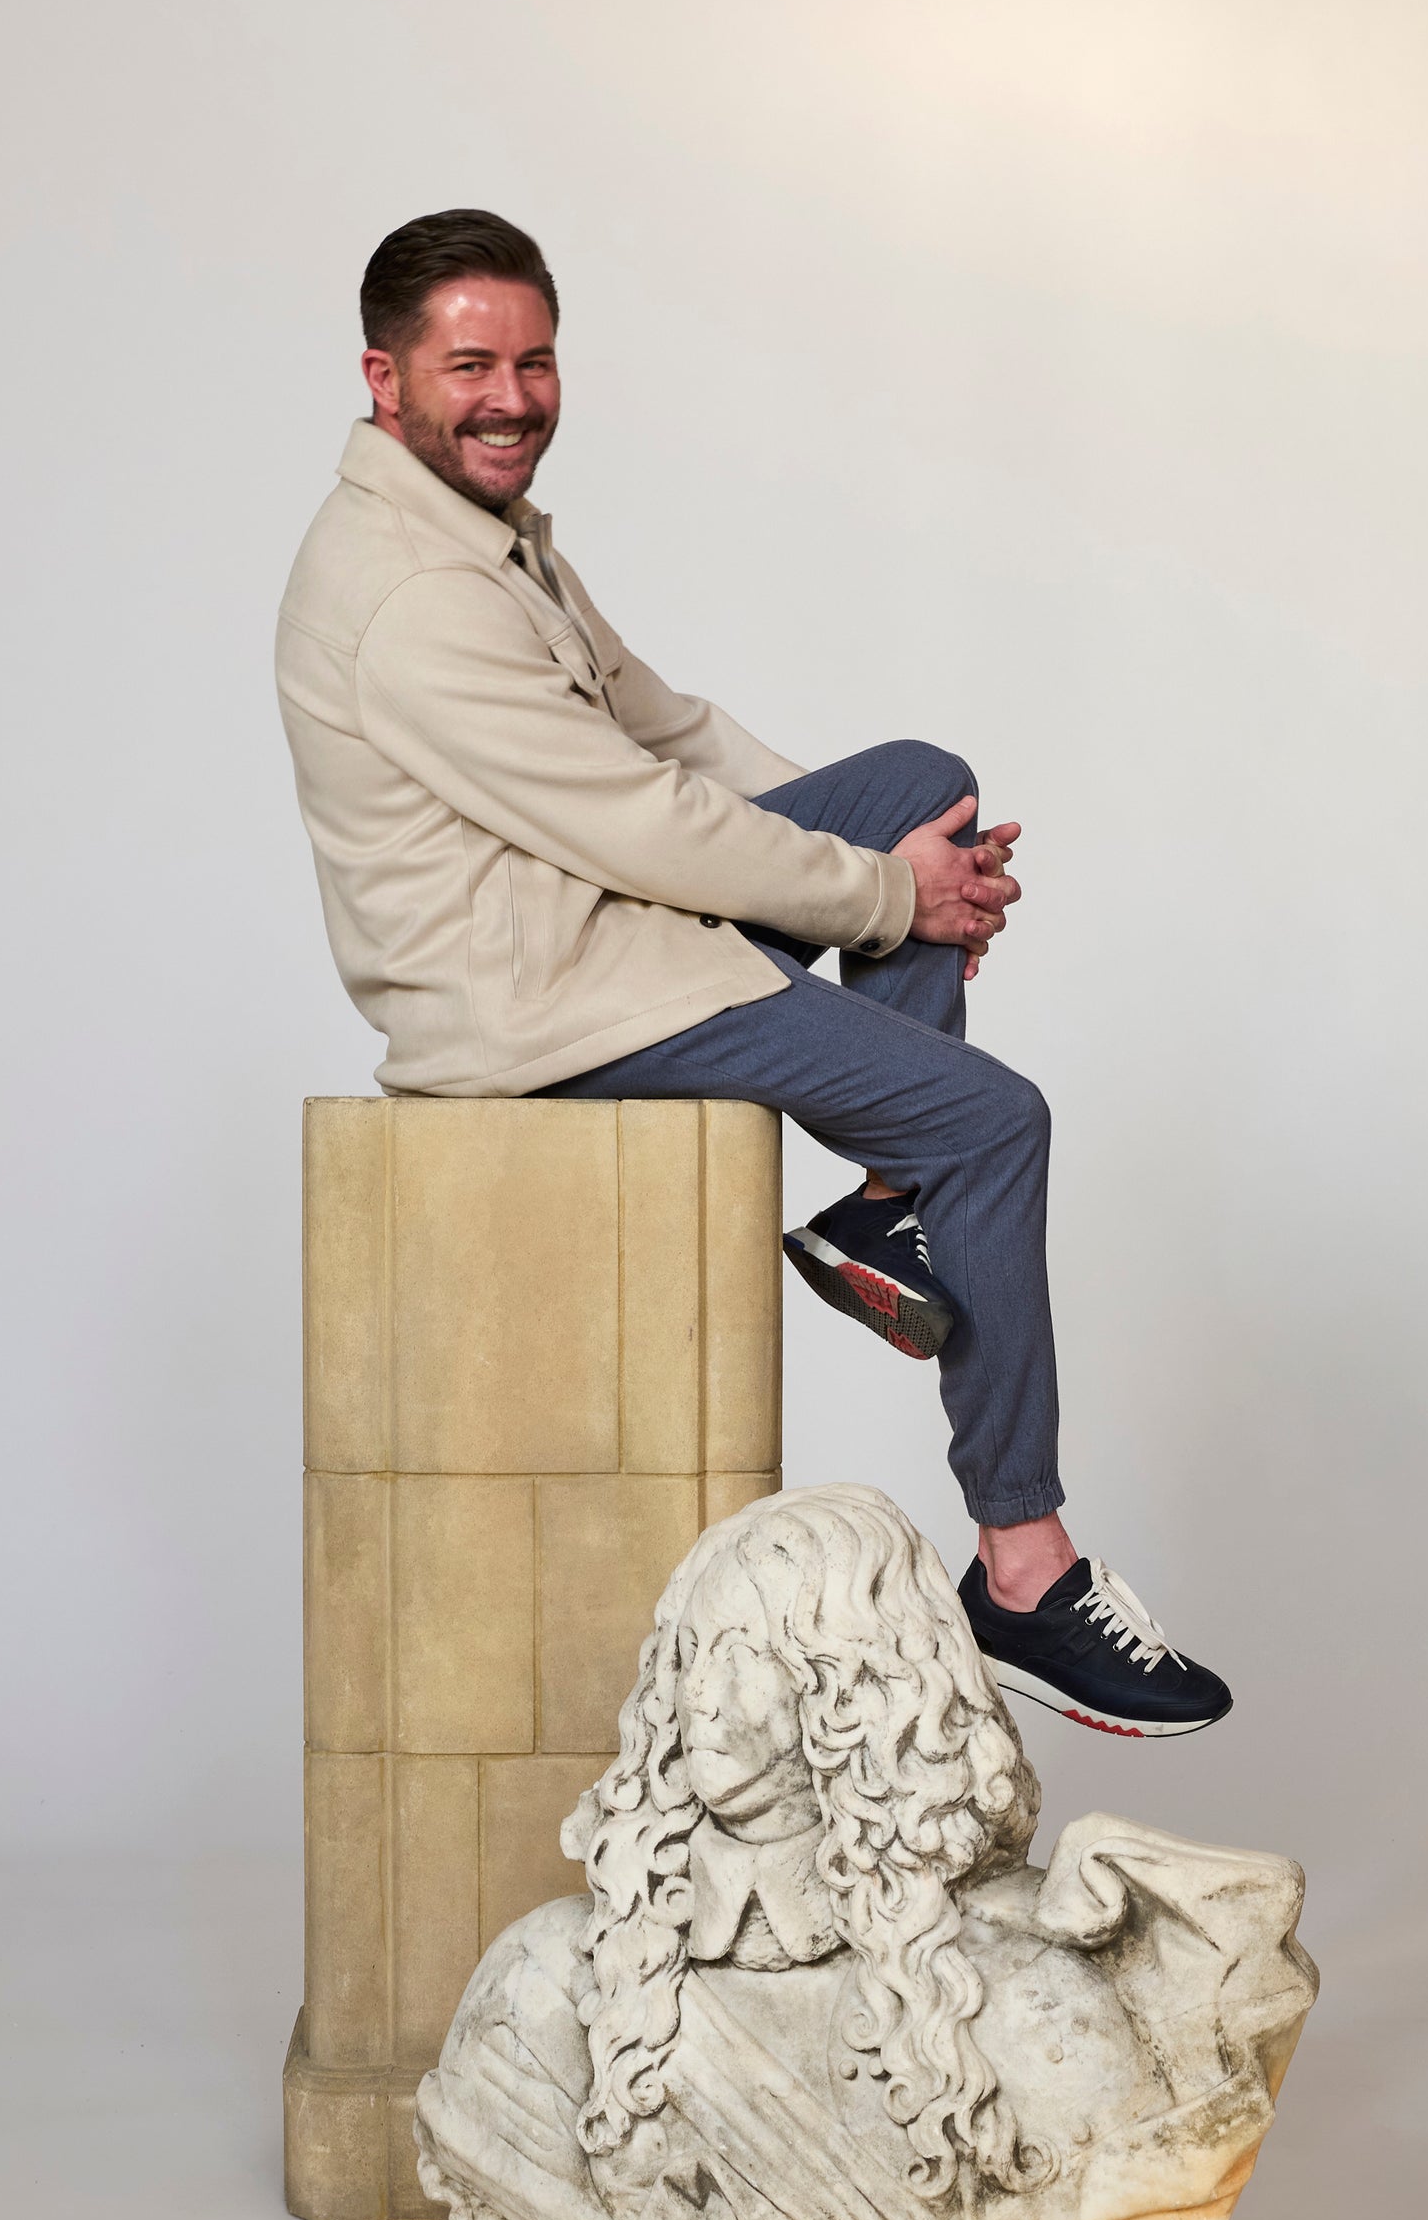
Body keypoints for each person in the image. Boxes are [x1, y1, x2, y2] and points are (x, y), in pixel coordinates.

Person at [277, 207, 1229, 1735]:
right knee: (998, 1119)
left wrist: (905, 870)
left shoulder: (488, 535)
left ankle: (885, 1210)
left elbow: (669, 730)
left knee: (925, 779)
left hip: (593, 921)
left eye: (533, 359)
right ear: (384, 380)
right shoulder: (416, 597)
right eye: (471, 365)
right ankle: (1025, 1570)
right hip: (542, 998)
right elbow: (641, 824)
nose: (512, 395)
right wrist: (880, 904)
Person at [412, 1487, 1316, 2220]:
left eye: (751, 1655)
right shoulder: (546, 1988)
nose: (705, 1699)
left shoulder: (1022, 2006)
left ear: (861, 1691)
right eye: (693, 1653)